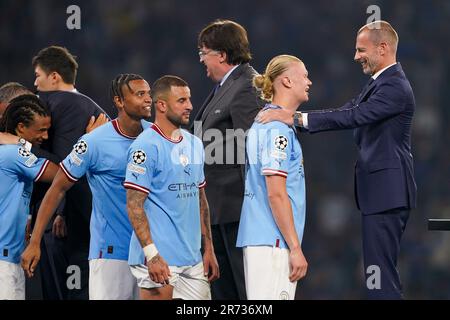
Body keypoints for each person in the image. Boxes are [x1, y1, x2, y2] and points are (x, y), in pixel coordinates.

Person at [257, 21, 416, 299]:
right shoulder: (379, 84)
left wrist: (293, 117)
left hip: (387, 192)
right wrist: (299, 121)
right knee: (378, 274)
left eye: (361, 50)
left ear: (383, 48)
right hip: (381, 193)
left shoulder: (395, 87)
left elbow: (352, 117)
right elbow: (348, 110)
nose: (355, 56)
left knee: (380, 276)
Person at [21, 73, 152, 300]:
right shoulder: (94, 141)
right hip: (111, 253)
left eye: (149, 93)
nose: (148, 99)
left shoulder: (157, 136)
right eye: (140, 94)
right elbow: (58, 188)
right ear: (119, 101)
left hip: (152, 252)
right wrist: (35, 242)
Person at [125, 75, 219, 300]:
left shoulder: (194, 144)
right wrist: (152, 255)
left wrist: (208, 248)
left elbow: (200, 198)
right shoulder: (145, 146)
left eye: (189, 99)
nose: (190, 106)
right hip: (161, 258)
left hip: (193, 260)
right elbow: (134, 204)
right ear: (162, 105)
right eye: (182, 100)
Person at [191, 19, 264, 300]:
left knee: (243, 290)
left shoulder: (247, 85)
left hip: (236, 209)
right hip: (218, 209)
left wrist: (254, 206)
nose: (201, 60)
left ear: (221, 54)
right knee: (223, 291)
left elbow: (253, 149)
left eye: (203, 53)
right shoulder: (226, 85)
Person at [31, 45, 109, 299]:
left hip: (67, 226)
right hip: (94, 222)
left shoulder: (59, 104)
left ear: (54, 77)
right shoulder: (90, 106)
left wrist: (60, 211)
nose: (35, 83)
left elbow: (66, 170)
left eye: (38, 76)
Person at [236, 55, 310, 300]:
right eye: (304, 76)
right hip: (273, 241)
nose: (309, 82)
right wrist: (295, 247)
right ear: (287, 81)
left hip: (264, 238)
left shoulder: (268, 122)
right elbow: (276, 192)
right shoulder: (276, 128)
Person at [0, 96, 58, 299]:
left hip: (10, 256)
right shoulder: (14, 153)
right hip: (2, 259)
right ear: (21, 127)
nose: (45, 136)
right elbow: (58, 174)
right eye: (41, 130)